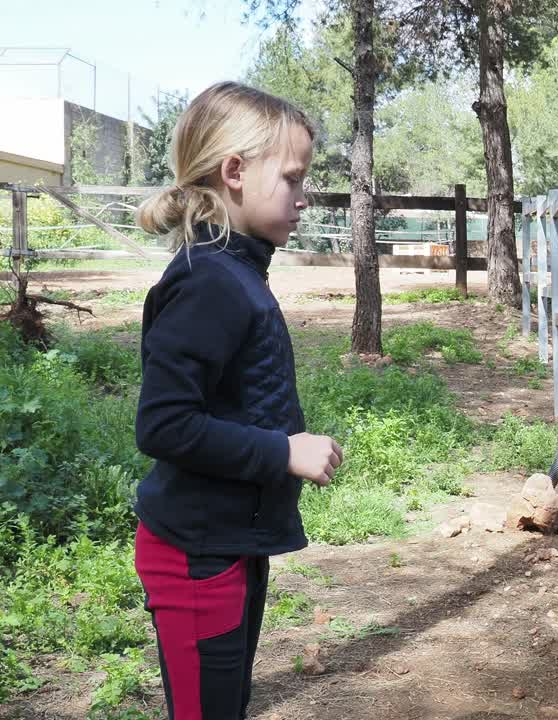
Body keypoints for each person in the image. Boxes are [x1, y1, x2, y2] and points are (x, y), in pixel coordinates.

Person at [131, 80, 342, 720]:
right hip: (198, 552)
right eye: (293, 178)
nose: (304, 198)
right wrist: (282, 451)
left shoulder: (235, 272)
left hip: (230, 544)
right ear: (234, 172)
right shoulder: (210, 281)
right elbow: (164, 426)